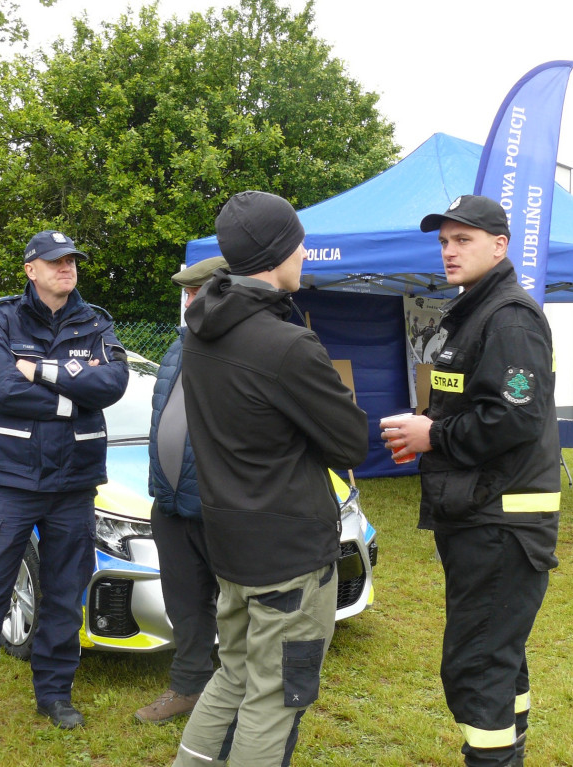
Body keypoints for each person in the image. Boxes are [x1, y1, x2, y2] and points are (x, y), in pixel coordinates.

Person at [173, 190, 368, 767]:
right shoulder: (286, 345)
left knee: (233, 676)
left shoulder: (198, 335)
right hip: (288, 558)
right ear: (276, 253)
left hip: (230, 547)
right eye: (297, 242)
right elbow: (350, 441)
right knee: (274, 697)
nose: (304, 251)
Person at [381, 195, 561, 767]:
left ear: (499, 245)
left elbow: (515, 416)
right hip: (479, 515)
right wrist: (427, 426)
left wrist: (433, 437)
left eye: (463, 239)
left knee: (477, 662)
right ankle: (512, 749)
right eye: (443, 241)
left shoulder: (509, 317)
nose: (449, 251)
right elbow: (476, 405)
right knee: (497, 654)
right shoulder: (473, 311)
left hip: (501, 523)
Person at [0, 230, 129, 744]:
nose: (66, 267)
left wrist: (39, 371)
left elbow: (112, 385)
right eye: (55, 261)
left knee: (65, 595)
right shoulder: (0, 318)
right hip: (13, 482)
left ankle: (54, 692)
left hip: (74, 483)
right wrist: (72, 390)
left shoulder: (96, 321)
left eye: (71, 260)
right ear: (31, 269)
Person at [134, 256, 227, 725]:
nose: (188, 302)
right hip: (170, 504)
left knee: (235, 610)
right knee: (185, 604)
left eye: (197, 294)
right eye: (187, 295)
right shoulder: (177, 347)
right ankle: (189, 687)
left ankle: (234, 698)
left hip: (218, 508)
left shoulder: (239, 349)